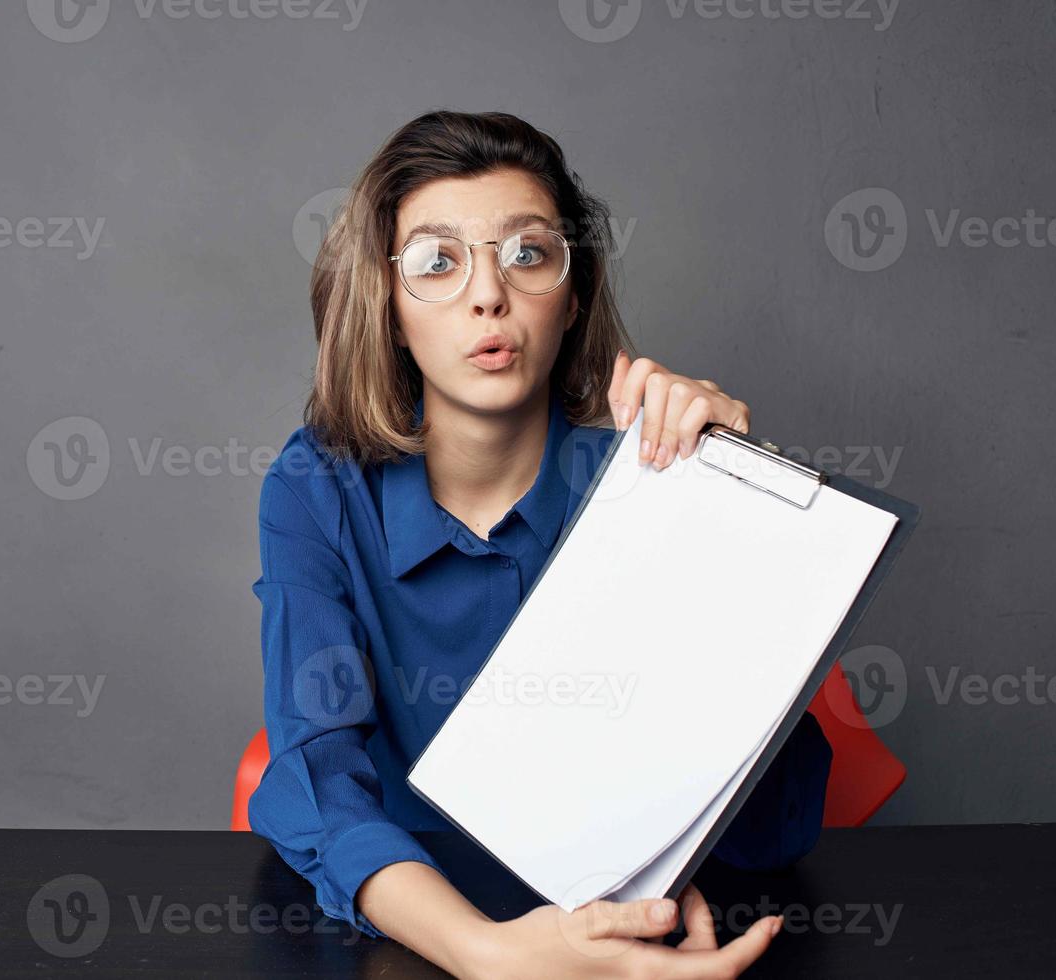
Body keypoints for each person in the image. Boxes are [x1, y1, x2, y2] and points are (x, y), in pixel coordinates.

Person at [249, 110, 831, 978]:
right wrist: (489, 955)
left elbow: (770, 830)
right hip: (415, 932)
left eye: (528, 254)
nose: (489, 295)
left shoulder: (650, 479)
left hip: (646, 922)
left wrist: (730, 513)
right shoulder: (318, 487)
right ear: (389, 306)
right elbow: (319, 784)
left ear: (576, 296)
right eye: (437, 262)